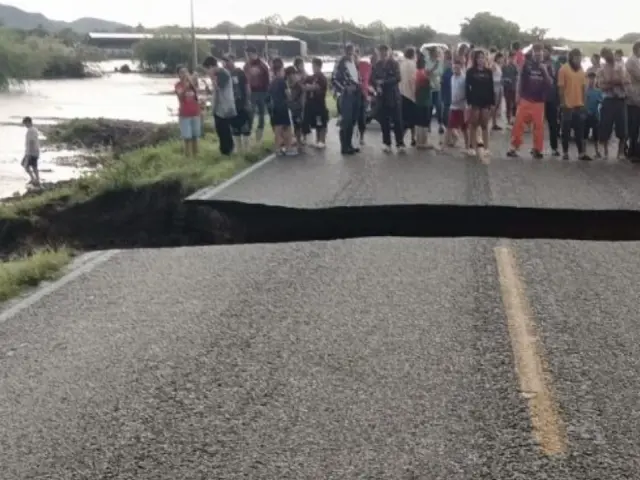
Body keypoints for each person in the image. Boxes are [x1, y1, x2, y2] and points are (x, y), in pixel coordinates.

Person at [507, 44, 552, 159]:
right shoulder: (527, 65)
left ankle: (537, 149)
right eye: (535, 52)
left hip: (539, 101)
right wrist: (518, 95)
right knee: (518, 124)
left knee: (538, 126)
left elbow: (550, 83)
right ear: (532, 53)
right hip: (526, 99)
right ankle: (514, 147)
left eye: (540, 52)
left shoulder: (547, 66)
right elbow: (520, 80)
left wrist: (544, 71)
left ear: (543, 53)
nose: (538, 54)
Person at [370, 44, 405, 153]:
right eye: (381, 52)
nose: (383, 53)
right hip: (382, 97)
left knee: (397, 121)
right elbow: (372, 79)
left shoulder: (394, 64)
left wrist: (384, 82)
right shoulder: (377, 65)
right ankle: (386, 143)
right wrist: (376, 85)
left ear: (388, 52)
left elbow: (398, 78)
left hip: (393, 96)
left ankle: (400, 143)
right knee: (384, 121)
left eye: (385, 51)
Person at [557, 48, 591, 160]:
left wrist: (584, 103)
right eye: (576, 57)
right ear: (571, 58)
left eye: (580, 57)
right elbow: (561, 88)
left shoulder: (581, 70)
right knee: (565, 130)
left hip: (579, 104)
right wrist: (563, 103)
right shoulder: (563, 69)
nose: (578, 60)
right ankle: (565, 152)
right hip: (567, 105)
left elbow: (583, 88)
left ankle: (581, 153)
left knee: (579, 130)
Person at [597, 47, 630, 159]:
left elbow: (626, 81)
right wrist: (613, 83)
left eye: (609, 53)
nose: (608, 56)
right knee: (605, 126)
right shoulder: (601, 69)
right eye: (605, 55)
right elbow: (601, 86)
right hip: (608, 100)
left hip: (620, 99)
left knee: (622, 128)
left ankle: (620, 152)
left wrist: (614, 81)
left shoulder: (621, 66)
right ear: (603, 57)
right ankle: (605, 151)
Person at [331, 43, 362, 155]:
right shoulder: (340, 63)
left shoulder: (355, 62)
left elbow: (357, 77)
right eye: (348, 51)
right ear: (344, 52)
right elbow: (334, 79)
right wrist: (344, 88)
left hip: (356, 93)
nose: (350, 54)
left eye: (352, 51)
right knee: (346, 120)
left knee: (353, 120)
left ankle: (349, 144)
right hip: (346, 95)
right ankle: (344, 146)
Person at [203, 56, 236, 155]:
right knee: (220, 129)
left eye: (207, 69)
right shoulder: (218, 74)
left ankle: (228, 150)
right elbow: (215, 91)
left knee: (224, 129)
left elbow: (218, 87)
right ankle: (224, 150)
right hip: (219, 107)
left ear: (211, 66)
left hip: (225, 107)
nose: (207, 72)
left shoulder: (223, 73)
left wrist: (212, 77)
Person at [465, 50, 495, 159]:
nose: (480, 60)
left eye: (482, 57)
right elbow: (467, 88)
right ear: (475, 59)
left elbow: (491, 87)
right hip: (475, 100)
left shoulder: (488, 72)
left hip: (486, 101)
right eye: (478, 58)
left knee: (484, 124)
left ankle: (486, 148)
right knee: (474, 124)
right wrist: (468, 102)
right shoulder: (470, 72)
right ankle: (472, 147)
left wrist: (492, 102)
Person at [268, 59, 297, 156]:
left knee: (278, 129)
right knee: (287, 128)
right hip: (283, 107)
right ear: (279, 71)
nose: (284, 72)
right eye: (283, 70)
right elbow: (288, 95)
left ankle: (277, 149)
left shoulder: (272, 82)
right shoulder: (282, 81)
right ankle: (288, 148)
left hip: (274, 108)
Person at [224, 54, 252, 152]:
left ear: (233, 60)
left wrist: (247, 100)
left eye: (228, 61)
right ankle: (238, 149)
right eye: (224, 61)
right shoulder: (224, 74)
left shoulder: (239, 73)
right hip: (230, 105)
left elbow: (247, 86)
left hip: (241, 103)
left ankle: (247, 149)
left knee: (245, 127)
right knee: (234, 128)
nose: (226, 63)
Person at [244, 46, 270, 143]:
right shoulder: (247, 65)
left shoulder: (262, 64)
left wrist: (267, 92)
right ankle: (248, 133)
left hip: (262, 92)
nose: (248, 56)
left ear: (253, 53)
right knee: (250, 113)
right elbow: (245, 79)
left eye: (249, 54)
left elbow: (267, 79)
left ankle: (259, 134)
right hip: (252, 92)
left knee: (261, 114)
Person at [302, 57, 329, 149]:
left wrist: (309, 87)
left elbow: (315, 87)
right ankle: (318, 140)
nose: (312, 68)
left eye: (314, 66)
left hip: (319, 104)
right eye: (312, 66)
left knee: (321, 122)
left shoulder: (322, 78)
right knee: (316, 123)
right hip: (312, 104)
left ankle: (322, 140)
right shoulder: (311, 77)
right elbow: (303, 85)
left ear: (318, 66)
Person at [174, 65, 201, 157]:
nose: (185, 74)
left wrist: (194, 80)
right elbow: (181, 97)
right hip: (184, 115)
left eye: (186, 71)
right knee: (187, 138)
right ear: (178, 75)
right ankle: (188, 157)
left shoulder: (193, 84)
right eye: (182, 72)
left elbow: (197, 94)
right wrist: (187, 84)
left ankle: (196, 156)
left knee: (195, 136)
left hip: (195, 113)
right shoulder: (178, 85)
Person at [445, 58, 469, 152]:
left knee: (464, 128)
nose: (455, 69)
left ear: (461, 67)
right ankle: (444, 146)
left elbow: (467, 93)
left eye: (457, 68)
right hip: (453, 106)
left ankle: (467, 146)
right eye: (454, 68)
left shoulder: (464, 79)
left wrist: (461, 100)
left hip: (462, 107)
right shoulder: (452, 78)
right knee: (449, 126)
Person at [543, 46, 561, 156]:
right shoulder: (538, 63)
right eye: (543, 51)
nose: (544, 53)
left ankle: (554, 148)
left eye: (546, 51)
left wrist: (559, 99)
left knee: (553, 124)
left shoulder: (556, 64)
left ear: (550, 52)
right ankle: (537, 147)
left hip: (552, 97)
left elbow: (559, 82)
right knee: (538, 124)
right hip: (540, 98)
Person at [399, 46, 418, 147]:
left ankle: (402, 138)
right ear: (413, 54)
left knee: (405, 118)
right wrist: (415, 93)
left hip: (402, 93)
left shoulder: (401, 64)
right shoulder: (412, 64)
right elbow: (413, 80)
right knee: (412, 119)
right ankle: (411, 138)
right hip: (410, 95)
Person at [625, 41, 640, 162]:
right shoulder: (632, 61)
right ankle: (633, 151)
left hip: (636, 98)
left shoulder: (636, 60)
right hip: (634, 98)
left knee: (635, 126)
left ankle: (634, 150)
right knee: (634, 126)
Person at [425, 47, 444, 136]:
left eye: (438, 52)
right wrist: (434, 68)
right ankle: (428, 124)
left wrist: (433, 71)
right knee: (429, 106)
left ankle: (440, 124)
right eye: (436, 52)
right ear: (432, 53)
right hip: (429, 87)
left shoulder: (440, 62)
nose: (437, 54)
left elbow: (440, 72)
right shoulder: (427, 61)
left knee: (439, 106)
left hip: (437, 86)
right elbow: (427, 72)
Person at [414, 52, 431, 149]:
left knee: (419, 122)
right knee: (424, 122)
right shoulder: (423, 74)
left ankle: (419, 141)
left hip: (419, 100)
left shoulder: (417, 73)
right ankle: (423, 142)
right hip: (424, 100)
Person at [356, 49, 374, 145]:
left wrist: (370, 91)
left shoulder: (366, 65)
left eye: (356, 55)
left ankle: (361, 136)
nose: (354, 57)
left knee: (362, 117)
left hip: (363, 95)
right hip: (352, 95)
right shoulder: (348, 67)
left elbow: (370, 79)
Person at [285, 66, 305, 149]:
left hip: (298, 109)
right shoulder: (288, 85)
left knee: (298, 126)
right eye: (288, 76)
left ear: (294, 74)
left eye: (291, 75)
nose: (289, 77)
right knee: (294, 126)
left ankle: (299, 141)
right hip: (291, 109)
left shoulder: (298, 86)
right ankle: (296, 140)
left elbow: (293, 98)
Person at [584, 71, 603, 158]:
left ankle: (597, 151)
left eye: (593, 78)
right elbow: (582, 103)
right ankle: (584, 151)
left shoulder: (598, 92)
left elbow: (602, 103)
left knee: (596, 135)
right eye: (590, 78)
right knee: (585, 134)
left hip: (595, 116)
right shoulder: (585, 91)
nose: (592, 80)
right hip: (586, 115)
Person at [21, 116, 40, 187]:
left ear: (28, 122)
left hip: (31, 152)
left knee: (25, 165)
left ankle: (34, 179)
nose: (25, 125)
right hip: (34, 151)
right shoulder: (34, 129)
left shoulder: (31, 131)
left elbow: (31, 142)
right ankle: (36, 179)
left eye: (25, 123)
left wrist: (28, 154)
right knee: (33, 166)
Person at [502, 52, 519, 125]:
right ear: (508, 58)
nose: (512, 59)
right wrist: (506, 80)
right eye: (511, 58)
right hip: (507, 88)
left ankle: (514, 118)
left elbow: (517, 76)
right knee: (508, 104)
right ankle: (508, 119)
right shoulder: (504, 67)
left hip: (514, 88)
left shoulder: (516, 67)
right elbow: (502, 77)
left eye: (513, 58)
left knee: (515, 104)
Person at [440, 53, 453, 141]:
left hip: (446, 90)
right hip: (447, 91)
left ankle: (445, 125)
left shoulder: (444, 66)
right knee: (446, 108)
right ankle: (446, 126)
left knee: (445, 108)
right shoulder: (447, 67)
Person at [491, 52, 504, 130]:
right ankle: (493, 122)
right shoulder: (494, 65)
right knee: (494, 105)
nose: (502, 60)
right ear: (497, 58)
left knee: (497, 105)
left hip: (499, 85)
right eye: (501, 58)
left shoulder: (499, 66)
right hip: (494, 85)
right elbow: (490, 75)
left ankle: (494, 123)